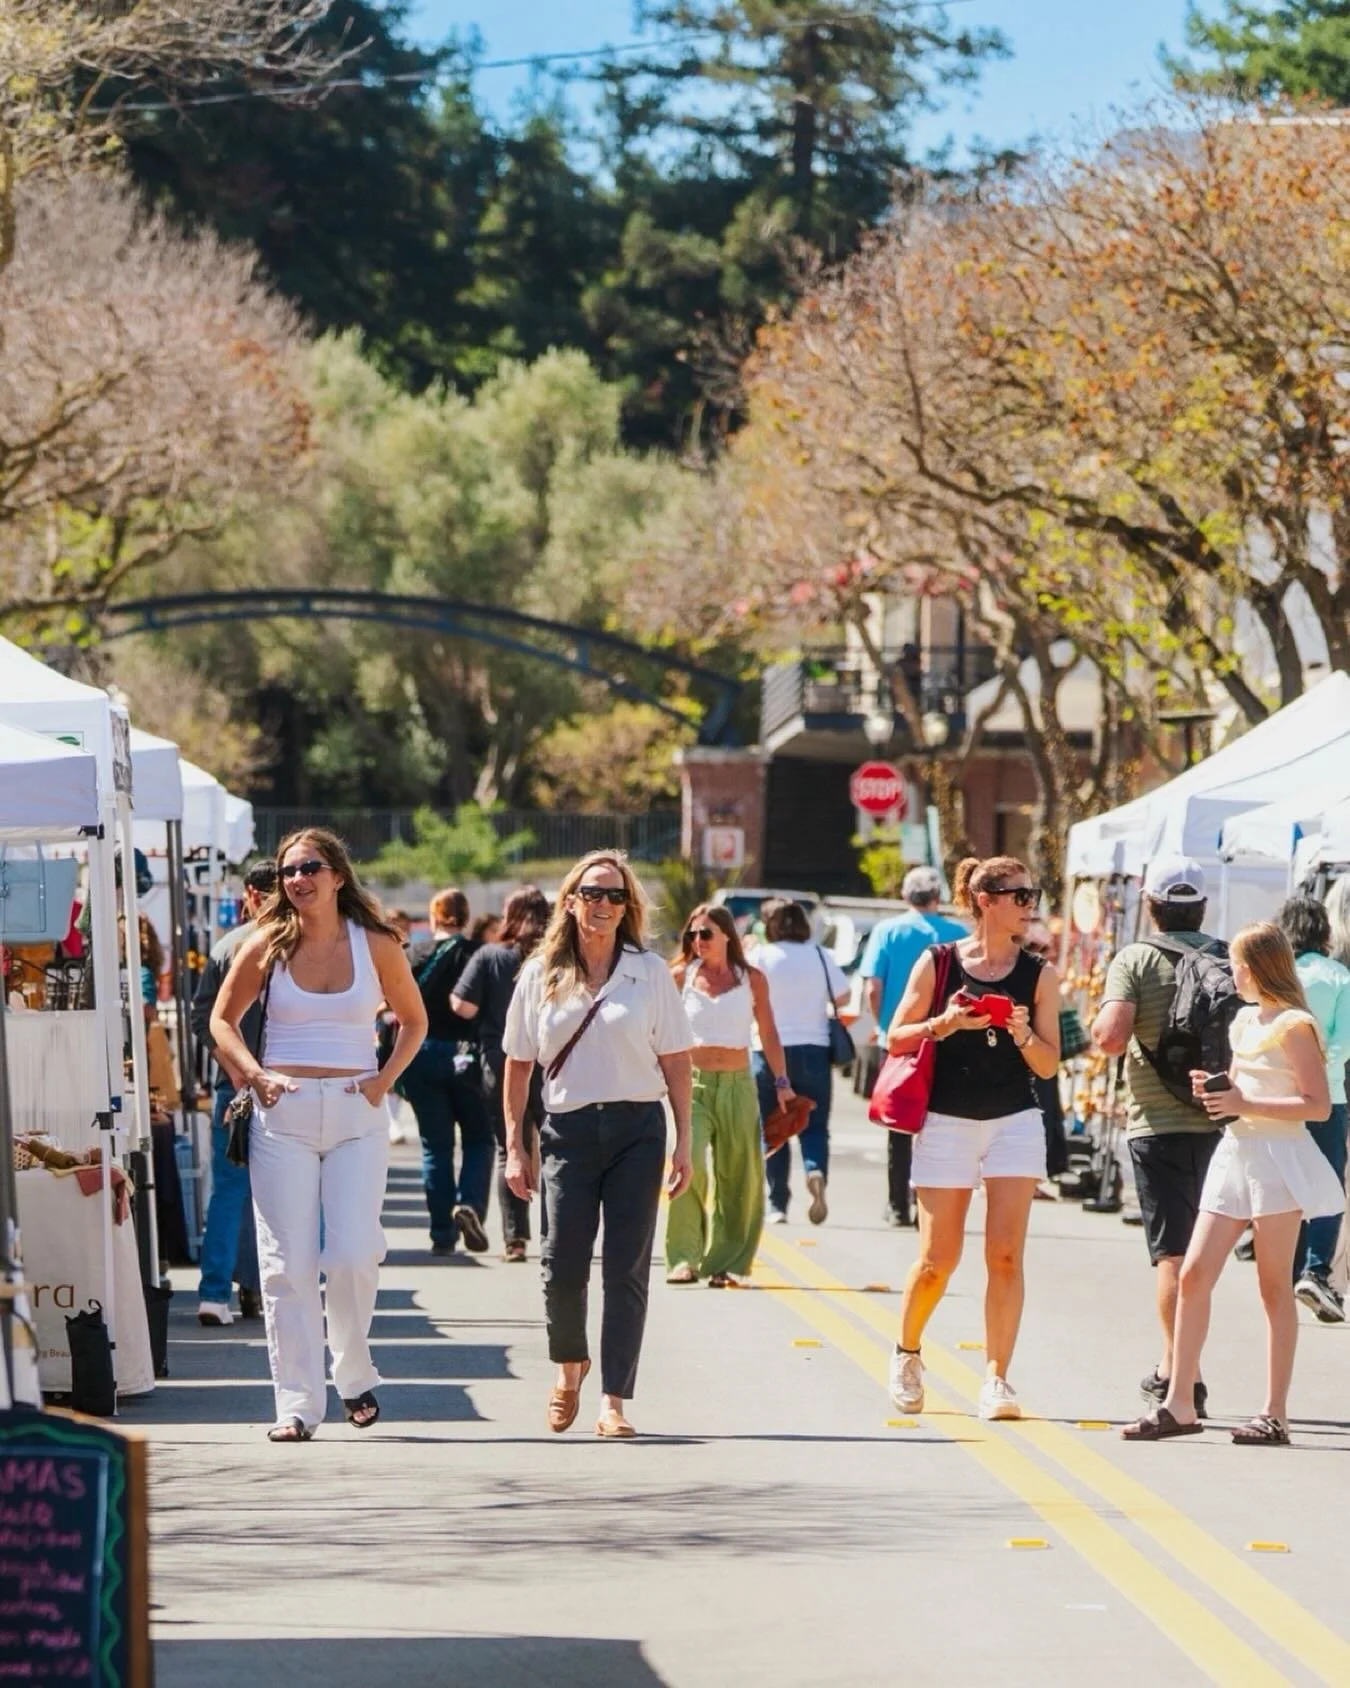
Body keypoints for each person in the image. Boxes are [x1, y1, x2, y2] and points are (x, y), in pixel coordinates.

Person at [210, 828, 427, 1442]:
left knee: (354, 1253)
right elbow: (221, 1021)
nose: (297, 879)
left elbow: (414, 1021)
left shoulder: (376, 942)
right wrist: (253, 1075)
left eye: (309, 868)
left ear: (337, 875)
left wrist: (383, 1081)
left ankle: (353, 1374)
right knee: (288, 1266)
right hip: (285, 1115)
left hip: (358, 1113)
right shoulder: (265, 944)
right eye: (288, 871)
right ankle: (298, 1406)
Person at [1122, 923, 1344, 1444]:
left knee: (1273, 1286)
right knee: (1194, 1273)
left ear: (1258, 968)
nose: (1232, 974)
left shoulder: (1295, 1025)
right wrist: (1220, 1092)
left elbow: (1317, 1105)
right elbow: (1246, 1092)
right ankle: (1179, 1403)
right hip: (1237, 1151)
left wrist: (1244, 1101)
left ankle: (1274, 1413)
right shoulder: (1245, 1019)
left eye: (1238, 965)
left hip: (1278, 1158)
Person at [502, 851, 693, 1439]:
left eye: (615, 896)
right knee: (561, 1264)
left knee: (626, 1268)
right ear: (571, 901)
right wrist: (515, 1146)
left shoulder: (649, 972)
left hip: (638, 1129)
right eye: (593, 893)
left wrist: (684, 1141)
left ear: (627, 906)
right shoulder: (540, 973)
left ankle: (613, 1401)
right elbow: (518, 1064)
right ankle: (569, 1367)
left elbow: (676, 1059)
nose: (604, 905)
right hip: (568, 1131)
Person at [885, 854, 1062, 1422]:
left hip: (1015, 1120)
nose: (1029, 906)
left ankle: (996, 1378)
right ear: (985, 900)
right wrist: (945, 1024)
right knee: (937, 1259)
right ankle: (907, 1352)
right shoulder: (939, 962)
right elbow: (895, 1038)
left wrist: (1022, 1033)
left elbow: (1049, 1065)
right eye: (1020, 896)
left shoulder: (1039, 974)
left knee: (1005, 1255)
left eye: (1032, 896)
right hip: (946, 1120)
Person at [1090, 855, 1227, 1415]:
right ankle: (1190, 1371)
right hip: (1224, 1121)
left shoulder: (1135, 958)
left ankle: (1178, 1374)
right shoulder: (1228, 957)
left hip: (1157, 1124)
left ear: (1150, 906)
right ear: (1202, 906)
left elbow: (1110, 1037)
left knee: (1173, 1254)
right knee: (1206, 1256)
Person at [665, 904, 793, 1286]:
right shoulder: (680, 977)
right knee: (689, 1164)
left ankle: (724, 1261)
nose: (698, 941)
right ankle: (683, 1257)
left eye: (706, 933)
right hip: (692, 1084)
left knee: (739, 1173)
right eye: (692, 935)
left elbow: (768, 1032)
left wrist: (782, 1082)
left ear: (726, 936)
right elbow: (659, 1030)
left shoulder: (752, 979)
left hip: (738, 1084)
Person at [191, 860, 277, 1326]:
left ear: (249, 894)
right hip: (288, 1086)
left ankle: (214, 1293)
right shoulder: (299, 943)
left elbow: (202, 1017)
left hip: (237, 1087)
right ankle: (267, 1288)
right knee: (287, 1195)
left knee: (228, 1192)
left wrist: (234, 1069)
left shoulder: (229, 945)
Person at [860, 866, 966, 1226]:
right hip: (947, 1040)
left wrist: (883, 1024)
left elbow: (872, 987)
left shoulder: (887, 931)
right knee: (937, 1125)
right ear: (937, 896)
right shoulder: (958, 935)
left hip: (901, 1041)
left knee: (900, 1123)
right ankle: (927, 1206)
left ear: (906, 895)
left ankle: (897, 1205)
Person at [452, 885, 551, 1261]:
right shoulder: (557, 959)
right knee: (557, 1149)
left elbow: (462, 1006)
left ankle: (515, 1239)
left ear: (510, 915)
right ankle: (557, 1232)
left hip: (501, 1061)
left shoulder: (490, 955)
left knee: (510, 1147)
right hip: (552, 1063)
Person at [398, 888, 494, 1256]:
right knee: (479, 1139)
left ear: (433, 917)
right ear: (467, 917)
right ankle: (469, 1204)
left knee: (434, 1146)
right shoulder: (480, 954)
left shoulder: (413, 955)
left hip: (421, 1055)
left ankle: (441, 1233)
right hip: (469, 1056)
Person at [751, 899, 848, 1226]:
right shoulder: (820, 955)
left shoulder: (761, 955)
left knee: (773, 1127)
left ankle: (777, 1203)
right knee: (815, 1124)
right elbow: (843, 994)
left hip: (768, 1050)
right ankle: (814, 1169)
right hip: (814, 1050)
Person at [1276, 896, 1350, 1322]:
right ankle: (1315, 1269)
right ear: (1324, 931)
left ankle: (1286, 1269)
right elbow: (1344, 1042)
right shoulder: (1339, 976)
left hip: (1277, 1096)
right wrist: (1320, 1071)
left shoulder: (1277, 976)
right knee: (1327, 1184)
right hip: (1329, 1097)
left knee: (1285, 1183)